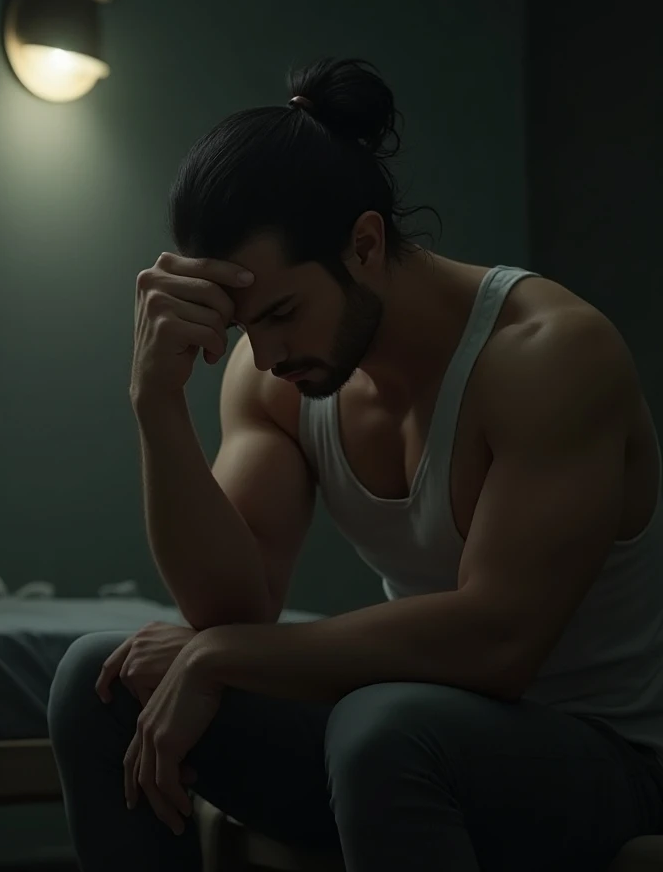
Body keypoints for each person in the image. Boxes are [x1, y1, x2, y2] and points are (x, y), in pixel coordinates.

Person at [48, 58, 663, 871]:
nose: (263, 355)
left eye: (281, 314)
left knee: (385, 727)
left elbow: (498, 643)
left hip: (605, 758)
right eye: (242, 327)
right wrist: (155, 404)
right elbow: (232, 604)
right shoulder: (279, 377)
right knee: (100, 680)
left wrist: (223, 655)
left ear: (365, 244)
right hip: (405, 740)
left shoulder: (545, 357)